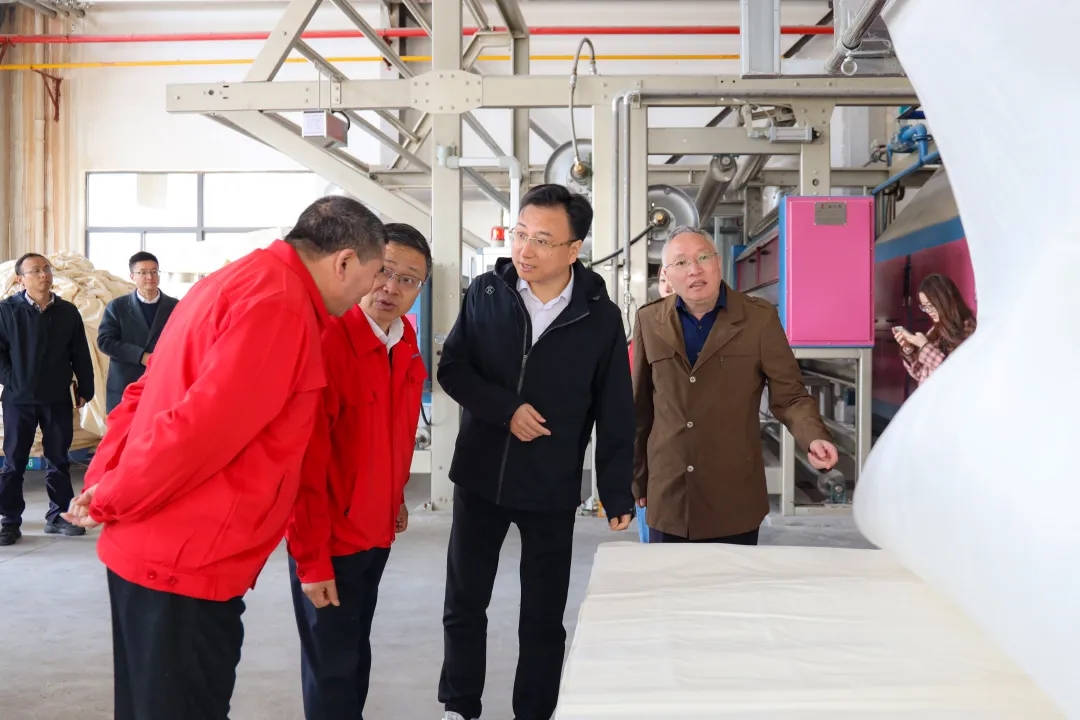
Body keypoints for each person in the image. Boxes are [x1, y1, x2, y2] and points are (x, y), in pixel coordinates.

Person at [61, 196, 387, 720]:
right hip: (185, 558)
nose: (369, 292)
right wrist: (109, 497)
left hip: (153, 545)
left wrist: (104, 482)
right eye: (372, 276)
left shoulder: (233, 279)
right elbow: (199, 430)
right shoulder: (282, 308)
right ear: (344, 261)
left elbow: (145, 393)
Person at [436, 184, 635, 720]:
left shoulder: (599, 316)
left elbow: (614, 406)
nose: (525, 249)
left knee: (543, 617)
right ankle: (460, 705)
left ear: (574, 249)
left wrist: (616, 489)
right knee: (464, 602)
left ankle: (535, 711)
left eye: (542, 240)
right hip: (481, 476)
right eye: (519, 234)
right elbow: (453, 368)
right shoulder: (487, 292)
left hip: (550, 483)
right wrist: (505, 410)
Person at [286, 223, 430, 720]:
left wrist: (395, 497)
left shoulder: (404, 340)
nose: (391, 288)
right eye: (384, 271)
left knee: (354, 654)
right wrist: (311, 561)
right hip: (329, 539)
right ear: (363, 267)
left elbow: (394, 432)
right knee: (331, 667)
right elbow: (302, 463)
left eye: (408, 279)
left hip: (375, 531)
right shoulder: (328, 340)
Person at [632, 227, 839, 544]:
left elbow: (790, 396)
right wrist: (637, 478)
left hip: (733, 492)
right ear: (667, 274)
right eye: (681, 262)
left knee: (732, 576)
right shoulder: (649, 320)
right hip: (669, 491)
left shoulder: (758, 319)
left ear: (718, 262)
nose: (694, 270)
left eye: (703, 257)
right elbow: (640, 408)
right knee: (671, 577)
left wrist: (813, 437)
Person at [0, 253, 95, 546]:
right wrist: (13, 379)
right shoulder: (6, 311)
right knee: (14, 461)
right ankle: (9, 521)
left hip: (56, 397)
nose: (44, 275)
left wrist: (86, 387)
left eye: (46, 269)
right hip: (19, 398)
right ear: (20, 279)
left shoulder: (67, 312)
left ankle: (59, 516)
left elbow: (80, 352)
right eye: (35, 271)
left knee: (58, 459)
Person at [97, 251, 178, 414]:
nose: (150, 277)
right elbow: (105, 341)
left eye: (154, 271)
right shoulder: (117, 306)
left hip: (163, 381)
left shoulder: (175, 306)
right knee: (125, 428)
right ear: (132, 276)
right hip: (126, 383)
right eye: (143, 272)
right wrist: (141, 356)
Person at [893, 273, 976, 386]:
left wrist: (924, 346)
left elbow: (957, 375)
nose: (928, 311)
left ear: (944, 301)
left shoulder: (968, 328)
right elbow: (921, 374)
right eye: (924, 307)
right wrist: (909, 349)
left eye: (930, 305)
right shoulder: (935, 330)